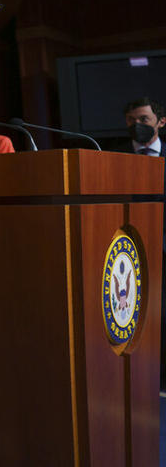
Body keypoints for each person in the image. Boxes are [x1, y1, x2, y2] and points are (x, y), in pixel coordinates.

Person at [118, 97, 165, 391]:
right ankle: (143, 378)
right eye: (132, 121)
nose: (138, 126)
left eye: (144, 120)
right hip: (131, 251)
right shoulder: (112, 157)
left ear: (161, 121)